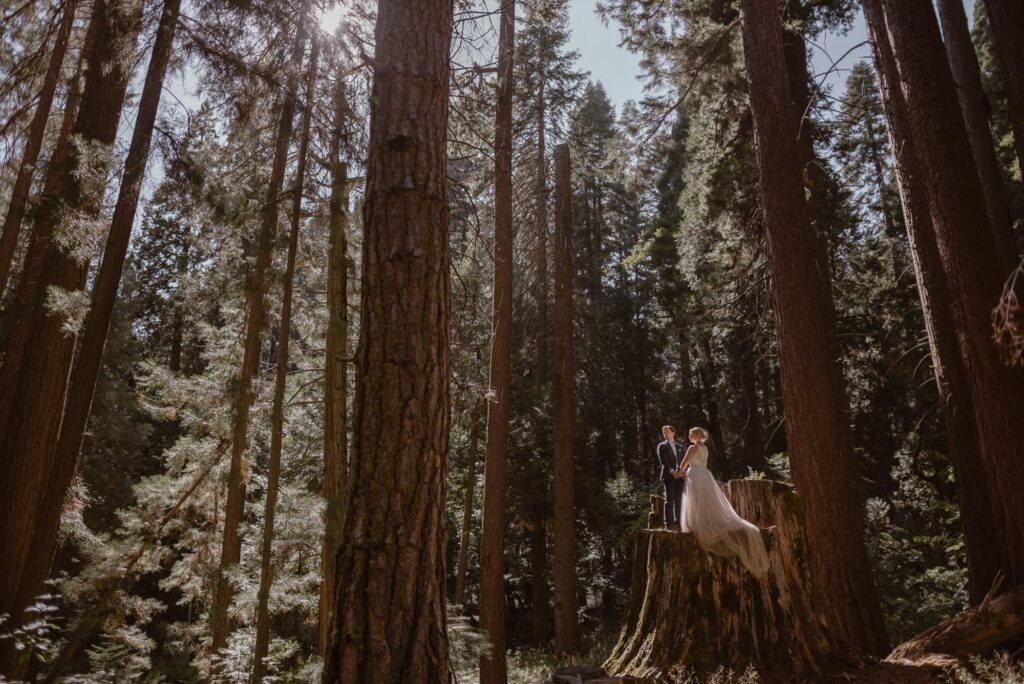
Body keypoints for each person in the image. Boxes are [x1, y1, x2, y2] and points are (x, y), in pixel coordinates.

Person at [679, 427, 770, 577]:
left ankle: (696, 523)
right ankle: (703, 522)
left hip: (695, 475)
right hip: (705, 475)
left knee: (696, 501)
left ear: (696, 436)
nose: (689, 436)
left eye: (691, 434)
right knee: (706, 501)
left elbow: (684, 462)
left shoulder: (692, 447)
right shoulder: (705, 448)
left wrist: (679, 471)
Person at [656, 425, 686, 529]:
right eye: (664, 433)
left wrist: (683, 472)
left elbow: (685, 461)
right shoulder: (662, 446)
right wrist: (672, 471)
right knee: (669, 500)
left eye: (667, 432)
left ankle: (679, 523)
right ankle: (668, 525)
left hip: (680, 476)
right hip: (669, 476)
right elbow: (664, 461)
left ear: (673, 433)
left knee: (679, 500)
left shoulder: (680, 447)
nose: (665, 434)